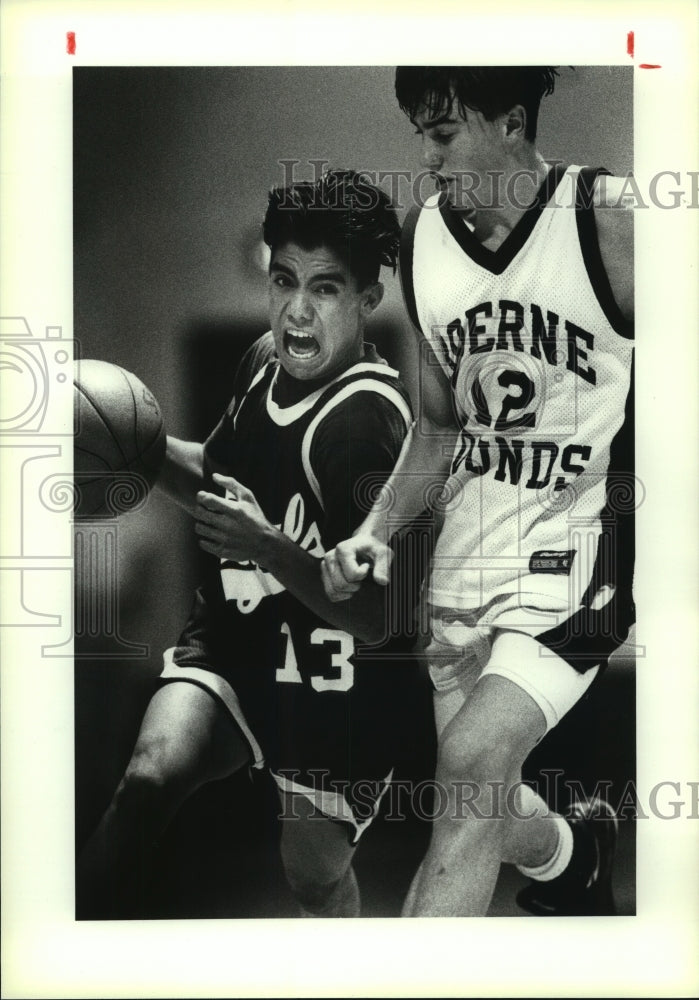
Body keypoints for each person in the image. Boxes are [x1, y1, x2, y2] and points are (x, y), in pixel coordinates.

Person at [321, 67, 635, 917]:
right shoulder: (425, 239)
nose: (424, 158)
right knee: (480, 794)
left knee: (465, 768)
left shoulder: (606, 218)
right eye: (419, 134)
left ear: (511, 120)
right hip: (468, 552)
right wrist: (375, 529)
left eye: (443, 134)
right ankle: (570, 853)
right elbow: (435, 428)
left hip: (580, 549)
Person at [77, 169, 431, 919]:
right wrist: (125, 446)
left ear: (368, 300)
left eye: (325, 289)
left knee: (312, 879)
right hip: (237, 646)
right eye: (282, 281)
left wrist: (268, 548)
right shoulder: (258, 361)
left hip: (337, 689)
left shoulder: (366, 424)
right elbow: (218, 470)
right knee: (146, 779)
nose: (296, 312)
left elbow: (376, 617)